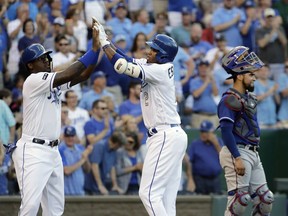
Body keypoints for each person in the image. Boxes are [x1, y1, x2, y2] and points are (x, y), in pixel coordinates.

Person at [94, 19, 187, 216]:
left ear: (161, 55)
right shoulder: (157, 65)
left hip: (165, 135)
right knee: (166, 200)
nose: (148, 51)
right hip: (171, 133)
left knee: (148, 194)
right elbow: (125, 57)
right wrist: (107, 40)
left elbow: (121, 66)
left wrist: (102, 43)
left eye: (153, 50)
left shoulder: (159, 69)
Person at [11, 18, 101, 216]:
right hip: (33, 150)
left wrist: (99, 49)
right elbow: (69, 73)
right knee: (30, 207)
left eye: (46, 57)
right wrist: (92, 50)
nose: (46, 60)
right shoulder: (33, 80)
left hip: (52, 151)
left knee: (55, 209)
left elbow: (83, 75)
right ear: (30, 65)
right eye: (41, 58)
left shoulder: (51, 81)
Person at [218, 46, 274, 215]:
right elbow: (226, 132)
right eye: (250, 74)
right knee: (239, 202)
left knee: (265, 200)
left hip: (253, 153)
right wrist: (237, 158)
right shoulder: (229, 99)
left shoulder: (248, 98)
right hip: (237, 151)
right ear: (240, 76)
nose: (254, 78)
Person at [84, 130, 126, 195]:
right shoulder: (100, 146)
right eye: (119, 146)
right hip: (90, 186)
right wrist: (100, 185)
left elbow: (112, 168)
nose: (119, 148)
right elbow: (94, 166)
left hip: (101, 184)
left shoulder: (114, 150)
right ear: (117, 144)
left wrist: (115, 185)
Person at [187, 120, 223, 195]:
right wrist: (190, 179)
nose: (203, 134)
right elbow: (189, 162)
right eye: (202, 132)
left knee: (216, 202)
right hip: (200, 179)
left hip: (214, 179)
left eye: (206, 132)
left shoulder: (218, 142)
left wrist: (216, 144)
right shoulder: (195, 144)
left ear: (212, 132)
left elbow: (223, 158)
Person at [59, 126, 92, 196]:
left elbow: (87, 170)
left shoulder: (80, 148)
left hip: (80, 192)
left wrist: (86, 158)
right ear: (64, 137)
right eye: (68, 136)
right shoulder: (60, 150)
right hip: (66, 194)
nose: (70, 138)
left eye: (72, 135)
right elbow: (66, 171)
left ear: (75, 136)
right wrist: (82, 160)